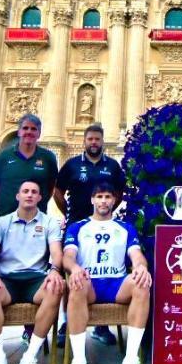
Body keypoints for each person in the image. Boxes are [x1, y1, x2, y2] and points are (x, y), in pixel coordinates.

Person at [61, 181, 151, 364]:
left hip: (116, 283)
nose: (103, 201)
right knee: (76, 283)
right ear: (92, 200)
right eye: (99, 196)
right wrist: (74, 269)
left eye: (108, 197)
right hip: (89, 283)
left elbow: (136, 255)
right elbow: (68, 256)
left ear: (114, 201)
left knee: (142, 283)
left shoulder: (125, 227)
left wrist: (140, 268)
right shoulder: (78, 227)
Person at [0, 179, 65, 364]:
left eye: (34, 192)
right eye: (25, 191)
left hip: (35, 278)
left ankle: (29, 358)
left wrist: (54, 271)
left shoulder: (50, 222)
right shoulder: (1, 222)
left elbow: (56, 253)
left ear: (40, 198)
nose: (29, 195)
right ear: (18, 196)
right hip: (7, 279)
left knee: (55, 287)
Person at [54, 123, 126, 346]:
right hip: (76, 225)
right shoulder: (73, 164)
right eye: (90, 139)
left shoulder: (112, 166)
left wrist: (107, 212)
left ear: (102, 141)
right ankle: (67, 322)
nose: (94, 143)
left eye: (97, 139)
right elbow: (57, 191)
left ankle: (101, 326)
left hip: (104, 227)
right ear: (85, 141)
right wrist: (67, 211)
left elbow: (120, 192)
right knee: (72, 272)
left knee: (102, 268)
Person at [0, 114, 58, 217]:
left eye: (33, 129)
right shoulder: (4, 156)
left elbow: (51, 187)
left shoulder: (48, 158)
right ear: (19, 132)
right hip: (5, 215)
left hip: (36, 218)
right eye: (25, 128)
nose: (29, 132)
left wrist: (40, 202)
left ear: (39, 134)